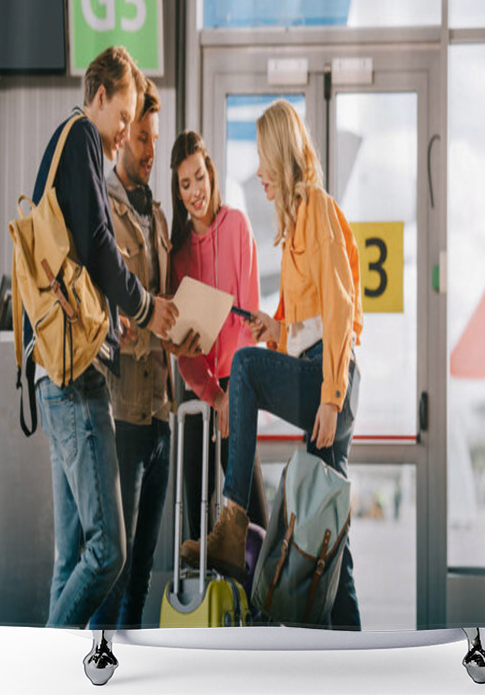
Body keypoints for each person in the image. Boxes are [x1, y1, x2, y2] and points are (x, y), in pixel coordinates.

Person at [179, 100, 364, 630]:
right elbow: (307, 325)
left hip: (333, 385)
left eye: (262, 159)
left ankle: (233, 522)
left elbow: (341, 308)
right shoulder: (296, 222)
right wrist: (274, 328)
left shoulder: (319, 209)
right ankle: (353, 648)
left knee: (246, 370)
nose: (258, 172)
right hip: (322, 375)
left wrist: (330, 397)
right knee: (323, 531)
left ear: (282, 156)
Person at [28, 46, 179, 628]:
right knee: (108, 553)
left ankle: (54, 680)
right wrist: (145, 307)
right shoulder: (84, 139)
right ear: (99, 97)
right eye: (124, 118)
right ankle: (45, 662)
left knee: (72, 560)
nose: (123, 135)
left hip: (53, 373)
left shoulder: (64, 143)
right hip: (77, 378)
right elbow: (98, 245)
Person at [88, 80, 199, 630]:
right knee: (112, 574)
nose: (151, 150)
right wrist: (148, 324)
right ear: (121, 136)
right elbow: (112, 312)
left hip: (161, 415)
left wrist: (183, 331)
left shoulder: (157, 215)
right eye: (142, 139)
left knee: (141, 583)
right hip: (122, 417)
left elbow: (160, 306)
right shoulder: (102, 206)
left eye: (155, 139)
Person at [169, 130, 268, 540]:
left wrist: (234, 393)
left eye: (199, 177)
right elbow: (185, 351)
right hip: (200, 392)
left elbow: (248, 320)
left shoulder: (237, 227)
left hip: (239, 383)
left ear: (211, 172)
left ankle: (259, 601)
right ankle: (203, 597)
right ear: (178, 192)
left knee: (252, 512)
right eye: (185, 184)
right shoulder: (178, 255)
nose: (195, 191)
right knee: (198, 514)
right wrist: (214, 394)